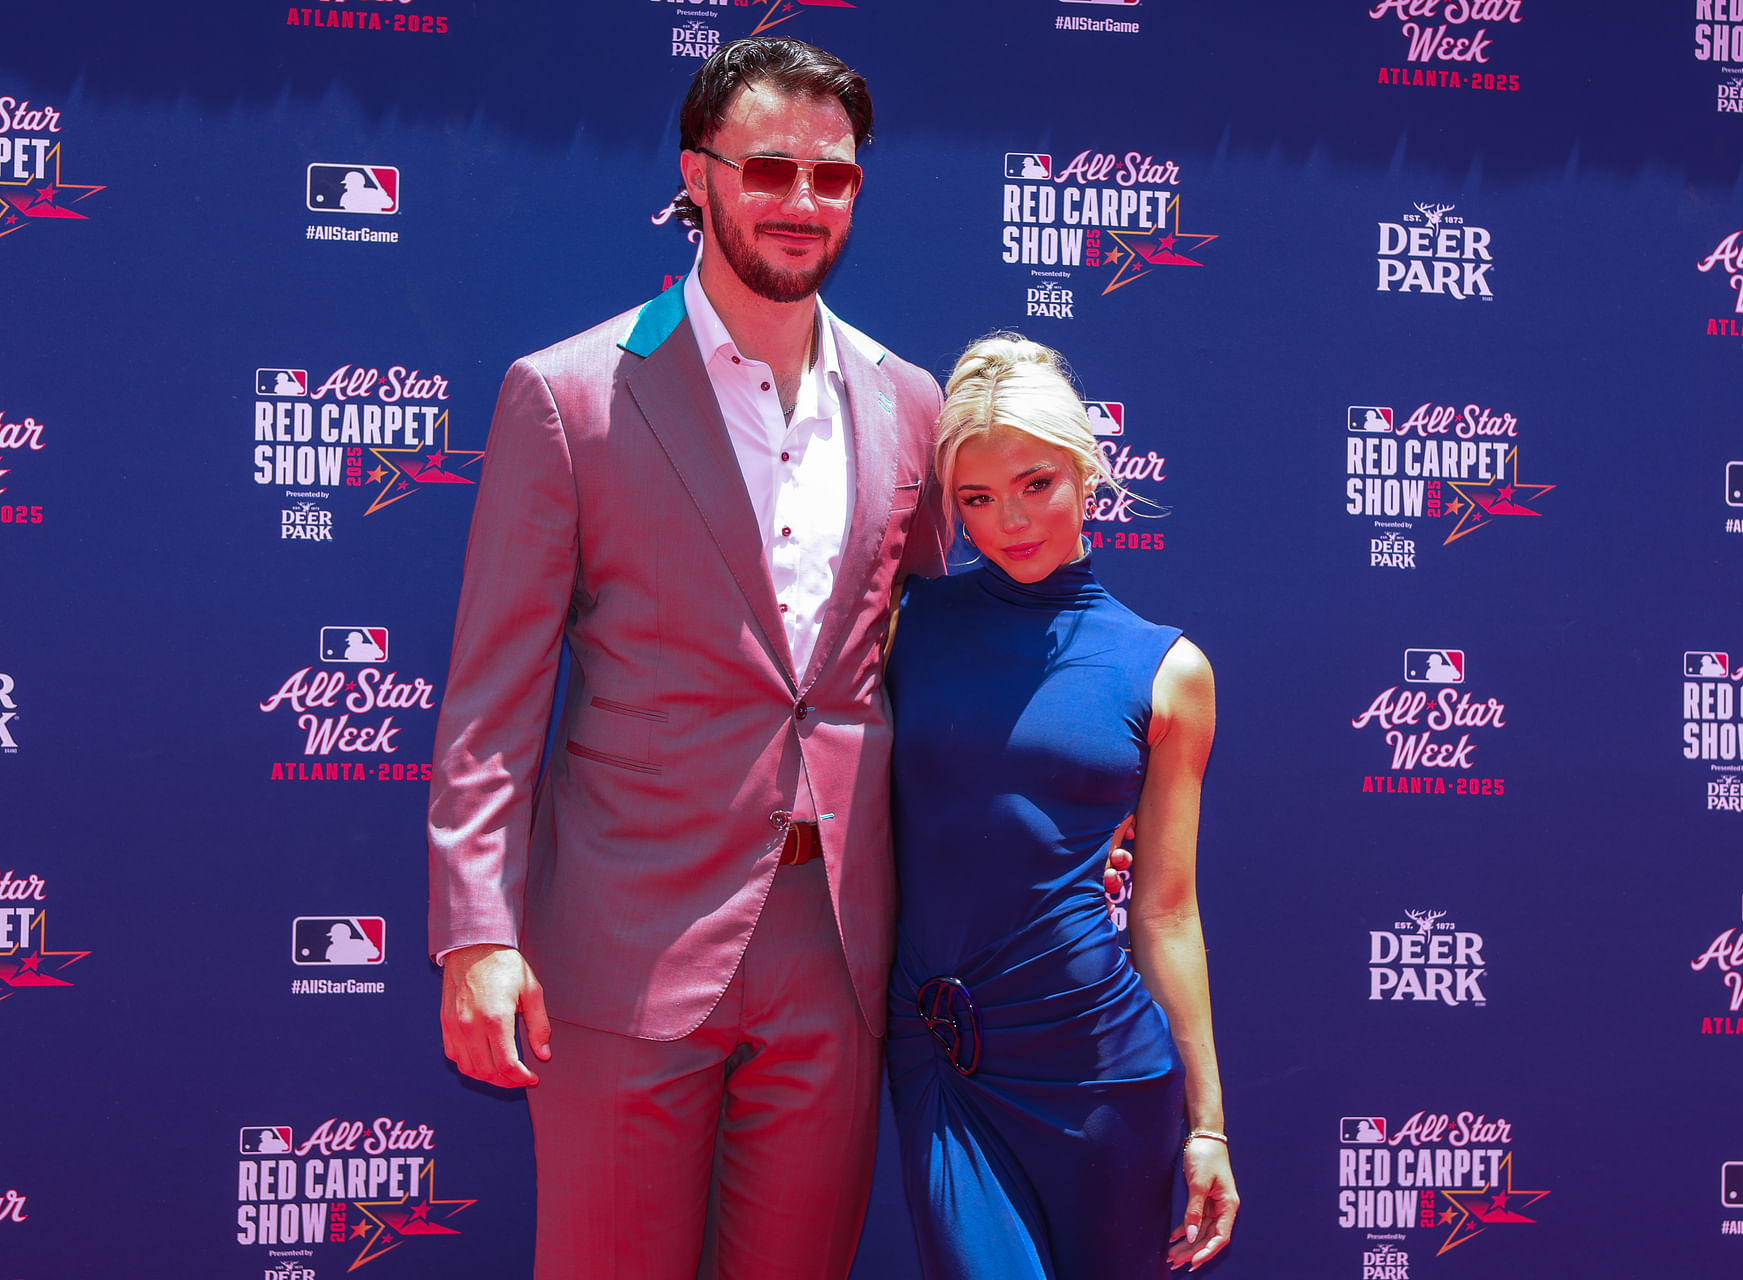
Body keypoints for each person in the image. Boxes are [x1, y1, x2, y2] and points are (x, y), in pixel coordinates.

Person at [426, 38, 948, 1280]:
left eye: (833, 175)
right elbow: (494, 698)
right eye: (768, 168)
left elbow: (934, 669)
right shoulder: (569, 393)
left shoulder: (911, 402)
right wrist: (476, 932)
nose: (803, 200)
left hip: (836, 948)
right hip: (623, 936)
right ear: (696, 175)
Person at [884, 335, 1239, 1277]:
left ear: (1087, 471)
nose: (1010, 521)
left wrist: (1207, 1125)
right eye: (976, 498)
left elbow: (1166, 910)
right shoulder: (907, 627)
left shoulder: (1168, 669)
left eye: (1035, 484)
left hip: (1101, 1068)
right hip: (942, 1057)